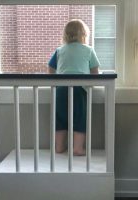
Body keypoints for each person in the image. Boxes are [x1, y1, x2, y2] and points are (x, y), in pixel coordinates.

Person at [48, 19, 100, 156]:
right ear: (84, 35)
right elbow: (95, 71)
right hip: (79, 89)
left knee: (60, 118)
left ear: (65, 35)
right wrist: (92, 84)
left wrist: (54, 81)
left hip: (60, 89)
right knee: (79, 117)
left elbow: (50, 68)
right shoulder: (89, 50)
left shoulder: (59, 51)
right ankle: (77, 148)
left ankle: (59, 147)